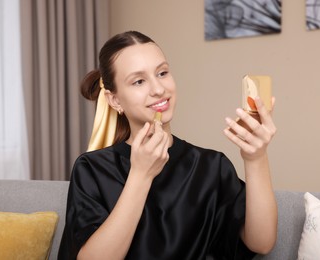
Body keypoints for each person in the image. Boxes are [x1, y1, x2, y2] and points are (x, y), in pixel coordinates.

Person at [58, 31, 277, 260]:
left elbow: (261, 243)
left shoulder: (211, 166)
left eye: (162, 73)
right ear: (115, 100)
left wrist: (256, 158)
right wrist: (140, 176)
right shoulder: (92, 169)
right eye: (139, 81)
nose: (158, 89)